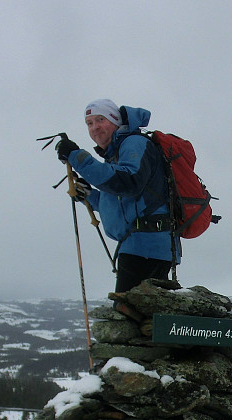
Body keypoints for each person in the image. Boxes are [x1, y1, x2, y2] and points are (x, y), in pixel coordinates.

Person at [56, 99, 178, 294]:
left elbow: (127, 183)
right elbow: (123, 202)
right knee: (137, 318)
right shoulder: (116, 153)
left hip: (146, 247)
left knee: (129, 318)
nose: (95, 127)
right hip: (141, 247)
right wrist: (89, 196)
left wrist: (77, 157)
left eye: (100, 119)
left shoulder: (134, 143)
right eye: (89, 123)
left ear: (115, 120)